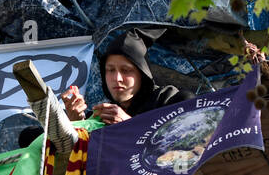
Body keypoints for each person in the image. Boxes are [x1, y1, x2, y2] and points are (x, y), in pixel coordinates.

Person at [61, 29, 191, 124]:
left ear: (142, 73)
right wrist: (77, 123)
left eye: (126, 70)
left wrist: (129, 124)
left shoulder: (174, 101)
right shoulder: (101, 117)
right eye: (110, 70)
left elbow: (188, 140)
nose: (117, 78)